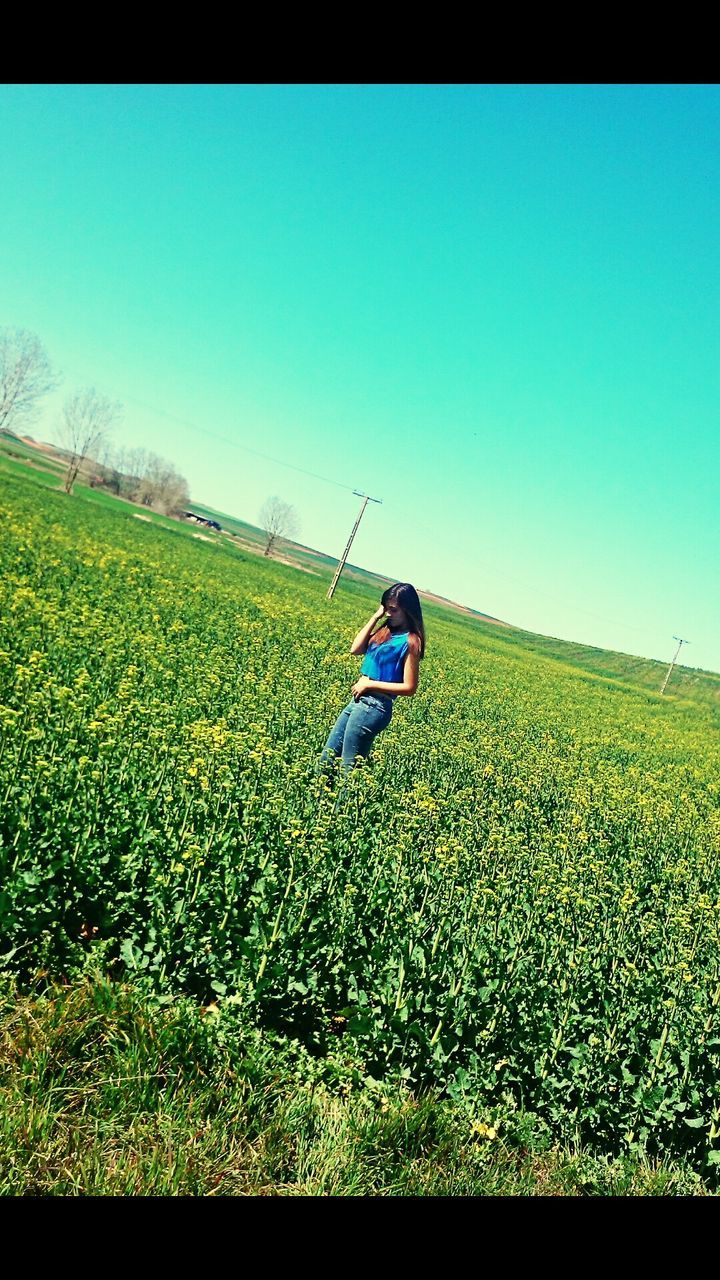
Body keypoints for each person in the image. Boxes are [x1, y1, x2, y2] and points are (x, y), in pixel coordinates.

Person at [319, 582, 425, 773]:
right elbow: (355, 649)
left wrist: (369, 684)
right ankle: (320, 800)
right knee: (326, 760)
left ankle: (346, 803)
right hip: (357, 702)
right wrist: (375, 616)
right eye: (386, 608)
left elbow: (410, 687)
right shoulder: (385, 632)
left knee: (348, 769)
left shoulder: (410, 641)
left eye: (393, 609)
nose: (388, 614)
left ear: (407, 610)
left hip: (375, 707)